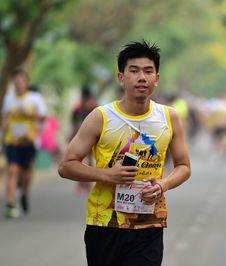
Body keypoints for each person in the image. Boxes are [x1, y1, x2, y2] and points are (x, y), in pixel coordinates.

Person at [58, 40, 191, 266]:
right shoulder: (101, 117)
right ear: (121, 77)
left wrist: (163, 185)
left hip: (148, 223)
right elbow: (66, 165)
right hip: (104, 223)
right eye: (134, 71)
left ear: (156, 79)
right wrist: (108, 175)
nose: (142, 77)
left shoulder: (169, 117)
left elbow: (184, 166)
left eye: (148, 71)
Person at [2, 69, 47, 218]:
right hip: (12, 141)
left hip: (29, 141)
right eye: (15, 82)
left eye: (20, 82)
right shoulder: (8, 99)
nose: (18, 85)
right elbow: (4, 119)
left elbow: (43, 117)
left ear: (26, 83)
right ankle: (10, 203)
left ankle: (24, 193)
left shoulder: (35, 99)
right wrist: (5, 126)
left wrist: (27, 114)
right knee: (12, 170)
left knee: (27, 175)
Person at [70, 86, 98, 195]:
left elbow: (73, 123)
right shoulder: (81, 108)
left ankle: (85, 183)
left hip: (86, 137)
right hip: (83, 137)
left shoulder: (91, 107)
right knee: (83, 160)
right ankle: (83, 184)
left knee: (86, 160)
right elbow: (73, 122)